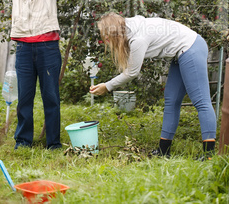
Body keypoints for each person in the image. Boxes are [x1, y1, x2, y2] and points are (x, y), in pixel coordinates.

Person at [90, 12, 217, 158]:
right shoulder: (128, 26)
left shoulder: (138, 39)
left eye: (107, 34)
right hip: (179, 53)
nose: (105, 39)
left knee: (201, 101)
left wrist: (107, 86)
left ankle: (209, 155)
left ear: (115, 31)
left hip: (191, 47)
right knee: (171, 100)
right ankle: (164, 151)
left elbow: (132, 73)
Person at [1, 0, 62, 150]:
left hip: (48, 46)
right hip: (24, 48)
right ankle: (23, 141)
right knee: (25, 97)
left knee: (51, 97)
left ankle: (53, 143)